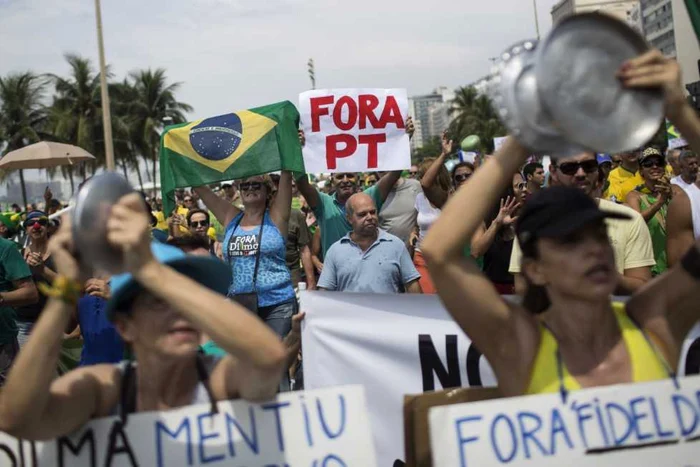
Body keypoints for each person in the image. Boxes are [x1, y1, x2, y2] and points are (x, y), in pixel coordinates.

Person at [422, 49, 700, 397]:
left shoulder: (654, 322)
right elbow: (439, 251)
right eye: (570, 241)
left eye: (599, 235)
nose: (594, 250)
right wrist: (524, 138)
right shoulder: (521, 345)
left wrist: (679, 109)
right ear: (535, 269)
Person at [0, 194, 287, 440]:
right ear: (126, 326)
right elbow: (16, 416)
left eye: (183, 299)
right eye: (159, 303)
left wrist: (153, 273)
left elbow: (270, 358)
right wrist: (64, 292)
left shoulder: (218, 377)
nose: (180, 313)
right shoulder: (105, 388)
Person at [510, 151, 654, 295]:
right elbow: (523, 288)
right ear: (553, 172)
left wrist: (602, 272)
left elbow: (642, 288)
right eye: (569, 167)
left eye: (588, 166)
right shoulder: (534, 223)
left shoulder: (630, 219)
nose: (580, 173)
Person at [194, 173, 297, 346]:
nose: (250, 188)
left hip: (277, 303)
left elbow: (286, 176)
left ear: (268, 191)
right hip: (241, 303)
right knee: (246, 361)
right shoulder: (230, 217)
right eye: (245, 185)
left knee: (271, 357)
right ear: (240, 191)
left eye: (256, 185)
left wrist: (291, 150)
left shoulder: (276, 216)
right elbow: (200, 187)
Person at [296, 118, 415, 258]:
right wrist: (298, 150)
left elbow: (394, 174)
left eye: (350, 176)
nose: (345, 181)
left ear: (358, 179)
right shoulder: (323, 203)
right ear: (332, 180)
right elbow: (301, 182)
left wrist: (405, 139)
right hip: (337, 275)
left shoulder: (370, 197)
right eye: (340, 177)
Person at [318, 193, 421, 293]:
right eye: (362, 214)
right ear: (349, 218)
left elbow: (412, 285)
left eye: (372, 212)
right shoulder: (335, 251)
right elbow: (325, 292)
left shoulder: (396, 245)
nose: (369, 217)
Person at [626, 148, 672, 276]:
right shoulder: (634, 196)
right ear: (641, 171)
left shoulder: (675, 192)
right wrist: (659, 202)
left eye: (659, 163)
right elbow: (636, 223)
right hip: (652, 268)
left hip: (676, 265)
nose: (655, 166)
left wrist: (672, 196)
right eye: (648, 164)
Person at [16, 211, 56, 347]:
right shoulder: (20, 254)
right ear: (26, 229)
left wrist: (43, 270)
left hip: (52, 320)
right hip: (24, 323)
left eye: (41, 222)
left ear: (48, 226)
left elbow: (70, 285)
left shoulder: (60, 252)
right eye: (31, 223)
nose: (36, 226)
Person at [269, 174, 316, 290]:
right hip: (265, 285)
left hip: (292, 282)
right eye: (270, 192)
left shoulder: (296, 215)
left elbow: (305, 250)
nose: (273, 197)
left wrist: (311, 283)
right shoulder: (256, 217)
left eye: (277, 192)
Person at [378, 171, 423, 244]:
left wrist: (416, 229)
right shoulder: (375, 193)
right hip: (386, 250)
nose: (382, 173)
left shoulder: (415, 186)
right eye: (380, 171)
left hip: (413, 251)